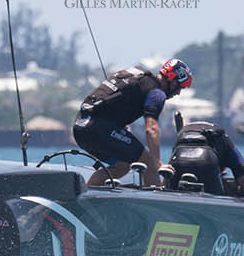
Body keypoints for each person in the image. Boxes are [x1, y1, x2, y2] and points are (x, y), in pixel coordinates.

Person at [74, 59, 192, 187]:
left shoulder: (136, 73)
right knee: (149, 164)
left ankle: (85, 197)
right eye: (179, 87)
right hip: (98, 129)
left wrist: (116, 123)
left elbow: (115, 94)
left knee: (122, 166)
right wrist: (157, 162)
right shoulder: (157, 94)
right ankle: (155, 204)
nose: (178, 93)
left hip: (80, 128)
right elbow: (151, 128)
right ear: (172, 81)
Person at [158, 119, 244, 196]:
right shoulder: (223, 139)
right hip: (207, 163)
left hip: (179, 161)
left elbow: (168, 174)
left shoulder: (182, 136)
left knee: (171, 189)